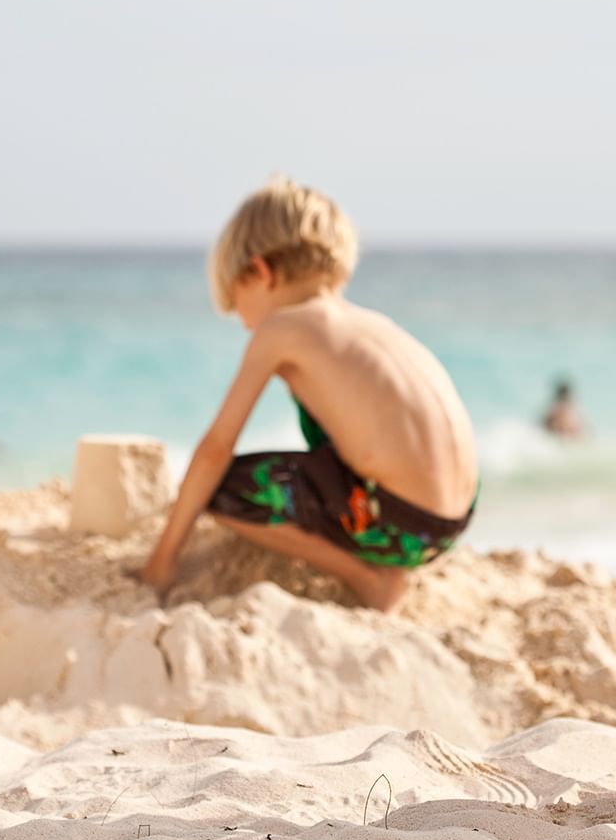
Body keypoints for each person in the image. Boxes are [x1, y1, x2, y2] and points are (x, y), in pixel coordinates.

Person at [139, 176, 477, 611]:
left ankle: (371, 579)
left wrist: (161, 562)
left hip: (400, 526)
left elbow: (215, 449)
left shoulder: (283, 328)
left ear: (260, 271)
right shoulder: (374, 326)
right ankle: (383, 559)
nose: (243, 322)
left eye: (236, 301)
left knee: (223, 489)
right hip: (451, 521)